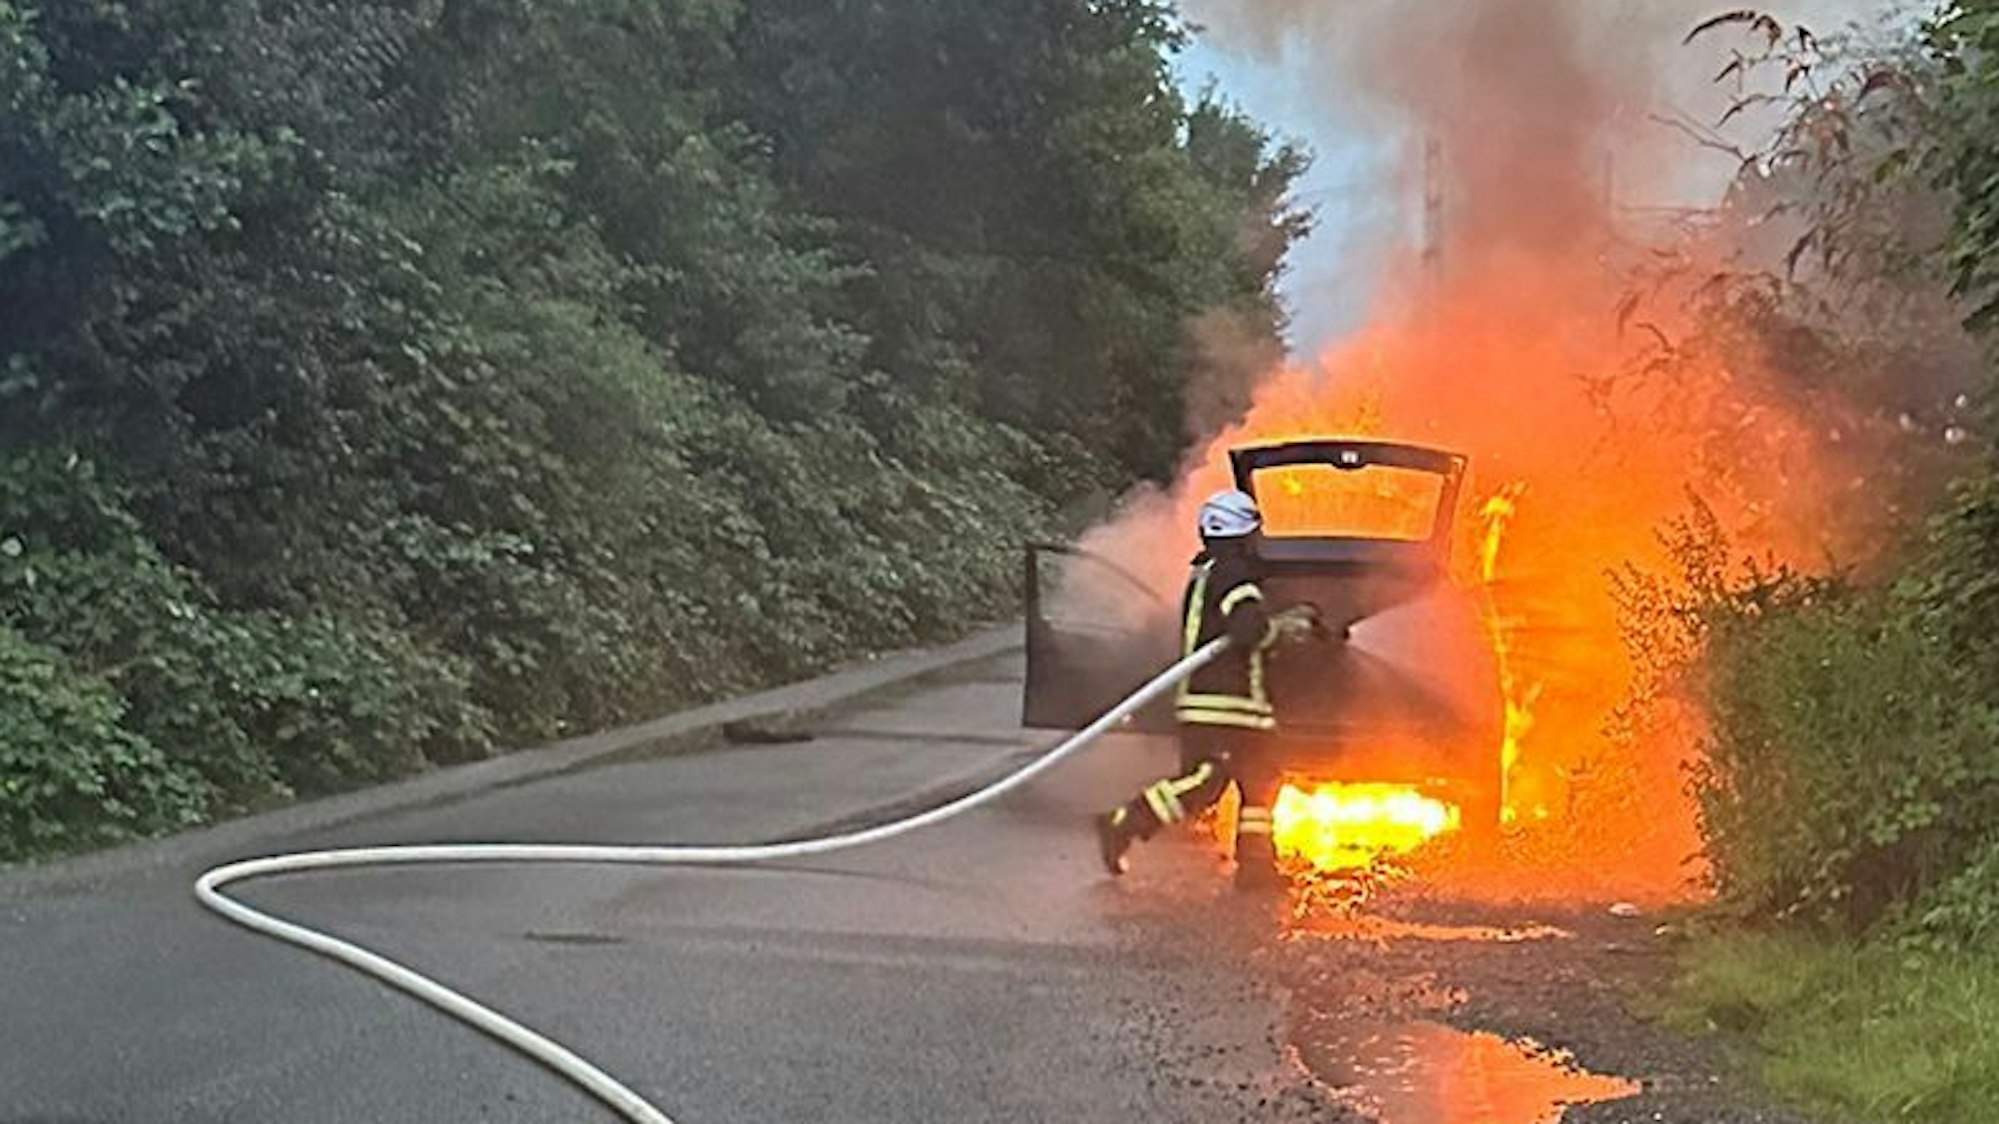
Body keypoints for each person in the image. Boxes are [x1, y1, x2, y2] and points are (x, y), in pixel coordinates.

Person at [1094, 488, 1320, 889]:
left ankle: (1256, 868)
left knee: (1260, 781)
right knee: (1206, 781)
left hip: (1235, 706)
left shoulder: (1209, 572)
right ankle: (1124, 821)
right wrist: (1285, 630)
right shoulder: (1233, 575)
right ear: (1245, 535)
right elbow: (1248, 629)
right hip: (1223, 704)